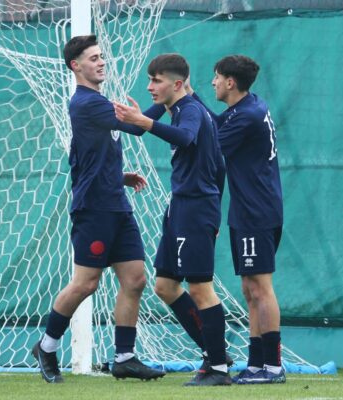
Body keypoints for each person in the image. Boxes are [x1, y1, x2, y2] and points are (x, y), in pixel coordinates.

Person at [31, 34, 166, 383]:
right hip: (94, 208)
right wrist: (168, 99)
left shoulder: (98, 102)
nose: (101, 62)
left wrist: (118, 177)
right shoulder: (85, 103)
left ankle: (125, 357)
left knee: (135, 279)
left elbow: (86, 157)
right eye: (93, 58)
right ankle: (46, 346)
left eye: (101, 56)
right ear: (76, 66)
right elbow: (137, 128)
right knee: (86, 283)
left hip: (116, 204)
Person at [114, 54, 230, 386]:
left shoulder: (191, 109)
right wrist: (111, 116)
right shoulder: (173, 106)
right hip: (180, 206)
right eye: (150, 80)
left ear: (177, 84)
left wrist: (145, 122)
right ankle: (214, 352)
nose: (150, 87)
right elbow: (135, 129)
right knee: (165, 286)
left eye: (157, 81)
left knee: (200, 287)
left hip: (195, 207)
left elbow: (185, 138)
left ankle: (218, 368)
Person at [184, 55, 285, 384]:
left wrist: (156, 123)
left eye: (216, 77)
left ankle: (273, 366)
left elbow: (208, 143)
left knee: (261, 287)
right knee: (249, 288)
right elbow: (215, 125)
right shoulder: (248, 106)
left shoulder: (248, 116)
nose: (212, 82)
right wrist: (191, 97)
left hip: (257, 211)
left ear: (230, 82)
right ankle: (256, 364)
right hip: (248, 209)